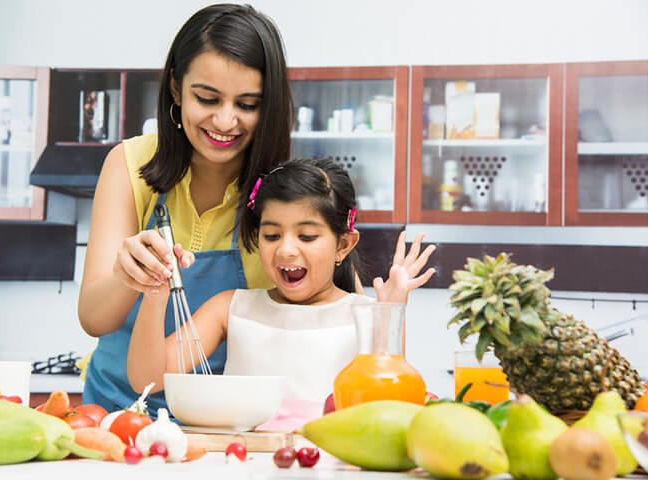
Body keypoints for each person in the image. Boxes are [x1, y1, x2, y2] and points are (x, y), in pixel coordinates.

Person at [78, 3, 294, 413]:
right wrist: (128, 276)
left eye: (247, 104)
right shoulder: (129, 165)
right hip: (117, 416)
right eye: (208, 98)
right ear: (176, 88)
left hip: (226, 422)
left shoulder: (284, 192)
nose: (226, 120)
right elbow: (94, 319)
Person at [127, 157, 436, 404]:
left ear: (343, 244)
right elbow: (148, 379)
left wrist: (392, 312)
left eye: (307, 236)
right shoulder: (229, 308)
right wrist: (155, 290)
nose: (286, 249)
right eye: (272, 235)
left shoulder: (366, 316)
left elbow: (389, 401)